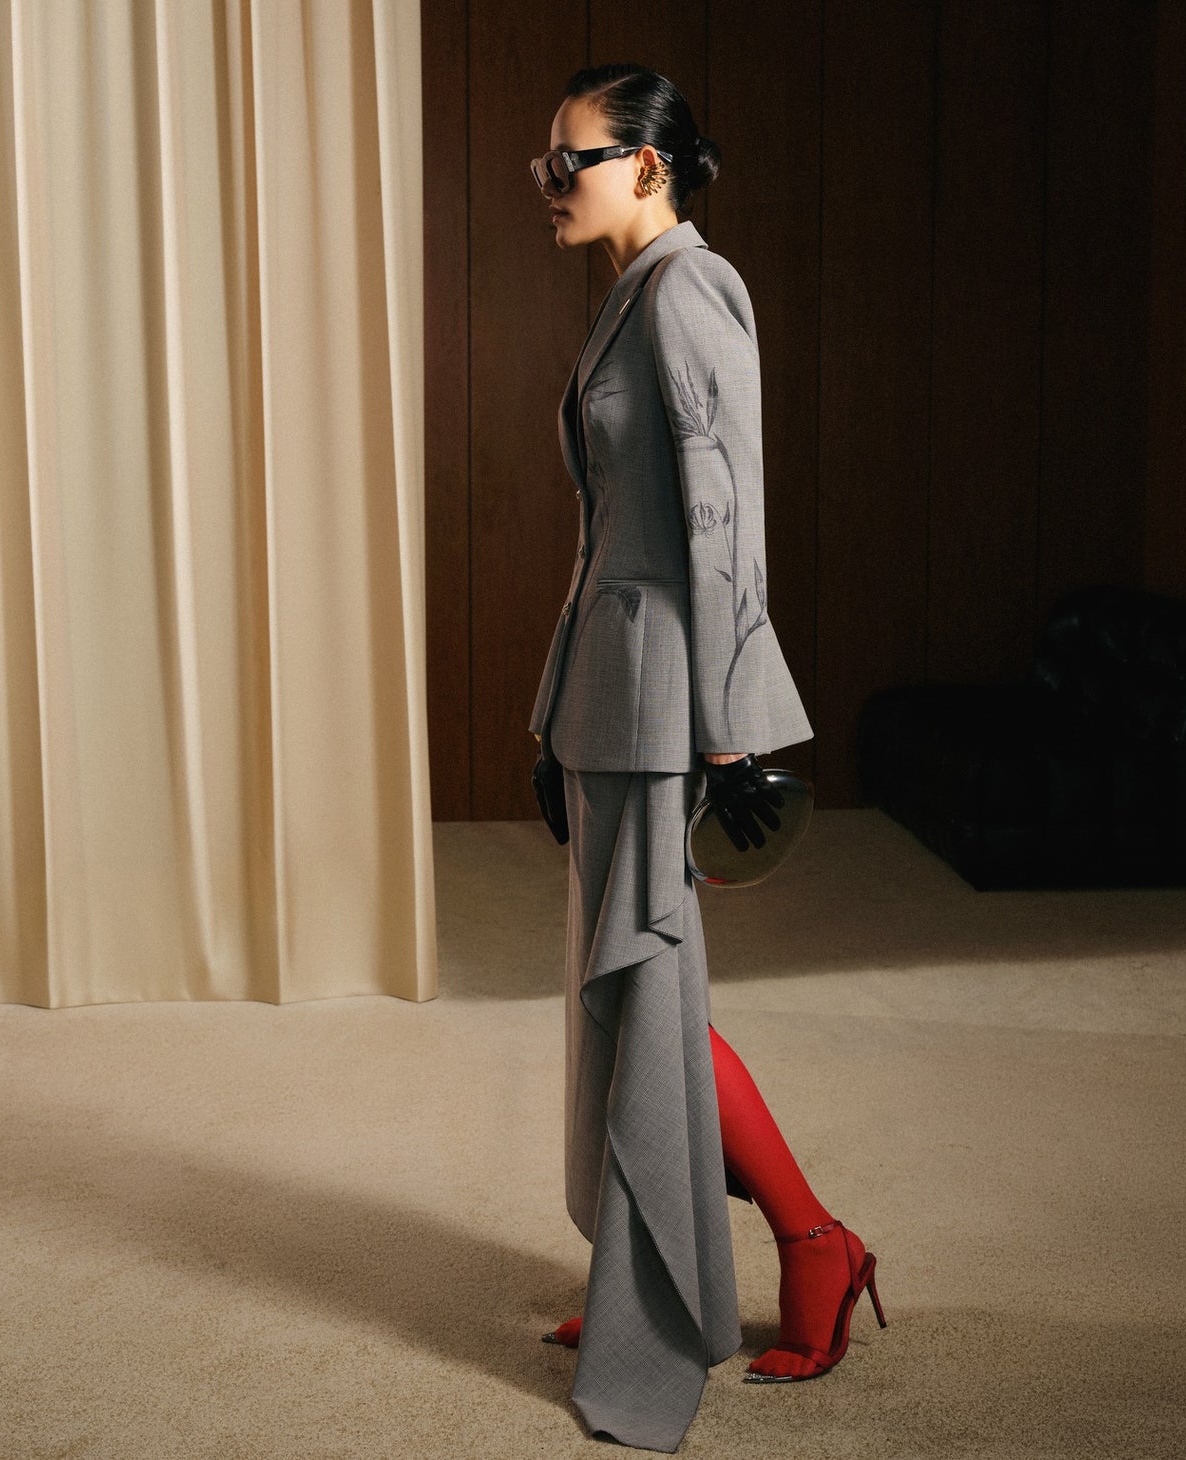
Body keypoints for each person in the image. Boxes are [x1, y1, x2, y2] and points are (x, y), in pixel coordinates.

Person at [524, 62, 886, 1452]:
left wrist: (731, 736)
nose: (552, 186)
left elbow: (721, 525)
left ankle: (809, 1242)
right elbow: (607, 529)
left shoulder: (689, 292)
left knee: (648, 984)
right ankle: (657, 1263)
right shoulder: (627, 295)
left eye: (575, 162)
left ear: (653, 166)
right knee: (624, 998)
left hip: (676, 703)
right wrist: (550, 718)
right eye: (543, 165)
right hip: (609, 701)